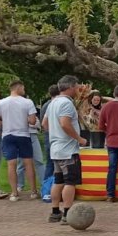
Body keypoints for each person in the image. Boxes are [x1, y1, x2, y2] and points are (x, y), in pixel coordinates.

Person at [43, 75, 87, 224]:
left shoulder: (52, 103)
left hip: (55, 149)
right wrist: (79, 139)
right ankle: (67, 213)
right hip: (67, 150)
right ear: (70, 87)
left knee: (58, 180)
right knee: (70, 182)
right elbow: (65, 123)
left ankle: (55, 211)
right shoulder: (66, 104)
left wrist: (54, 134)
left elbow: (45, 124)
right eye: (76, 87)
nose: (77, 90)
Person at [0, 80, 38, 201]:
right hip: (23, 135)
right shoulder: (27, 102)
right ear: (18, 88)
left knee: (11, 164)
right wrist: (24, 119)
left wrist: (4, 124)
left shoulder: (1, 103)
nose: (24, 90)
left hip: (8, 135)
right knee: (28, 163)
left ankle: (14, 193)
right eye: (23, 88)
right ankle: (33, 191)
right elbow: (33, 121)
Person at [15, 98, 45, 196]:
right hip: (21, 136)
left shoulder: (32, 113)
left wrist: (28, 121)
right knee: (20, 163)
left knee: (39, 160)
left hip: (33, 136)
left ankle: (43, 183)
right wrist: (27, 122)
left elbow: (36, 124)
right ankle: (20, 185)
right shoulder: (16, 113)